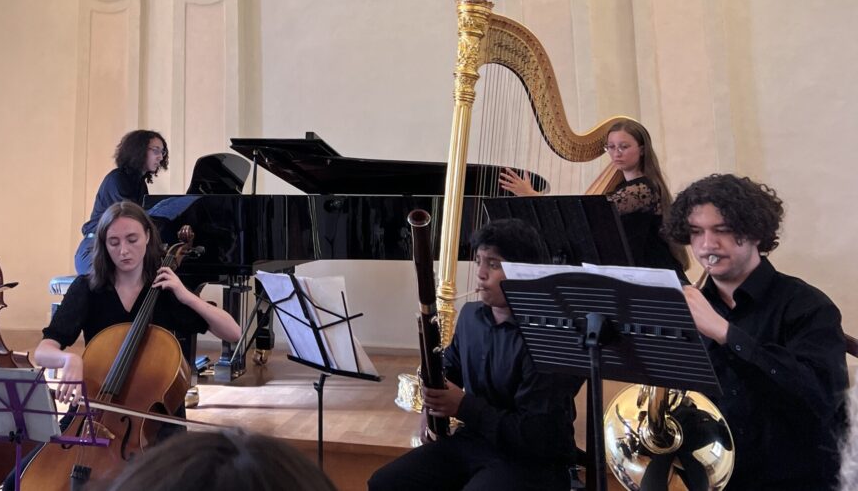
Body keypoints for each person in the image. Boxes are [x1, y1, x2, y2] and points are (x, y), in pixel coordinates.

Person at [5, 201, 242, 490]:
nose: (123, 251)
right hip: (92, 413)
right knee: (15, 482)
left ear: (147, 237)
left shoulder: (166, 291)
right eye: (113, 242)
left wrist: (186, 295)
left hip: (155, 425)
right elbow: (44, 349)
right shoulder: (89, 288)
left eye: (132, 240)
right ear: (103, 245)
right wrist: (69, 360)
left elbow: (232, 332)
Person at [368, 219, 583, 491]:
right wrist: (430, 404)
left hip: (531, 461)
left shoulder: (548, 338)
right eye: (479, 260)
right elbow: (449, 368)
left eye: (494, 264)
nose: (481, 273)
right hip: (474, 441)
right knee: (385, 483)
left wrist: (462, 406)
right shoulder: (471, 316)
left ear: (524, 272)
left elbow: (533, 435)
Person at [666, 174, 849, 491]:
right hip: (712, 477)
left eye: (722, 230)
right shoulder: (687, 306)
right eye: (697, 232)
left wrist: (725, 333)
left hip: (793, 477)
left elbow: (818, 398)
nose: (708, 245)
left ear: (754, 232)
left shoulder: (807, 305)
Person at [501, 118, 688, 274]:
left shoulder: (642, 190)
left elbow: (587, 214)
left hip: (655, 276)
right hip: (637, 273)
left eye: (624, 147)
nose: (616, 153)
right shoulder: (624, 186)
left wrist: (532, 195)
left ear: (642, 149)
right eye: (611, 147)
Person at [102, 429, 340, 491]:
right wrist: (71, 359)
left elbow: (234, 333)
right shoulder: (91, 300)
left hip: (164, 429)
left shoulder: (174, 304)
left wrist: (187, 300)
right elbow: (60, 343)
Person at [74, 129, 169, 274]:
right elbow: (130, 220)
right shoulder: (116, 179)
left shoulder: (140, 184)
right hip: (94, 249)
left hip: (116, 247)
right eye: (156, 151)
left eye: (162, 152)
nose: (160, 157)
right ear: (139, 150)